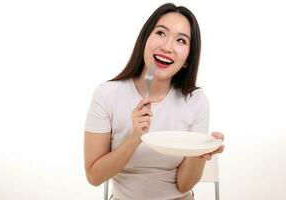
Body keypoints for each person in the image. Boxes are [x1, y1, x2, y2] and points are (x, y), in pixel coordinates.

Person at [84, 3, 224, 200]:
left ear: (187, 59)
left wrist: (200, 155)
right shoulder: (107, 95)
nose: (167, 47)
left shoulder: (196, 102)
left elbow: (184, 184)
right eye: (160, 33)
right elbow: (94, 176)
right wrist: (135, 137)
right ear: (145, 39)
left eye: (181, 40)